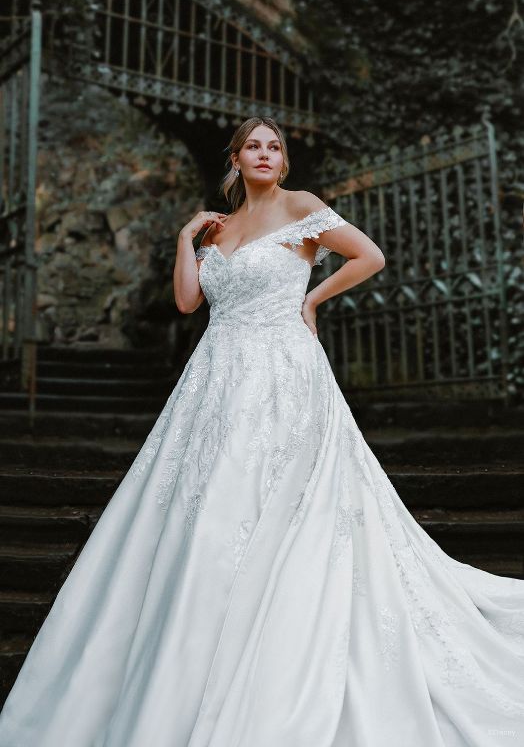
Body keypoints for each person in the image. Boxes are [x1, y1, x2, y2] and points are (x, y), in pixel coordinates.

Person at [0, 116, 522, 747]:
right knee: (204, 510)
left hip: (283, 376)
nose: (266, 153)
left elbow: (370, 256)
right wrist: (185, 240)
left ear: (283, 160)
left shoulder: (303, 209)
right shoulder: (219, 228)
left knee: (276, 505)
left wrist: (311, 300)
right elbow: (190, 303)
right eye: (255, 145)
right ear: (236, 158)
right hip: (214, 378)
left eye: (275, 146)